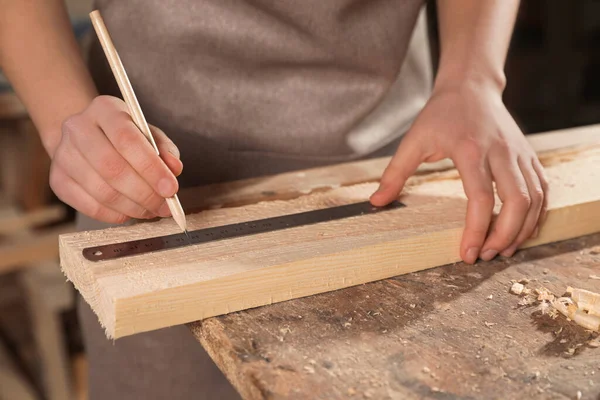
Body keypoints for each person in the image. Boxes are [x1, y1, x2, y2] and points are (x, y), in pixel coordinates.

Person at [1, 0, 547, 398]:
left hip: (392, 163)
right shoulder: (129, 168)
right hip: (136, 173)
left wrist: (473, 77)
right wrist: (62, 117)